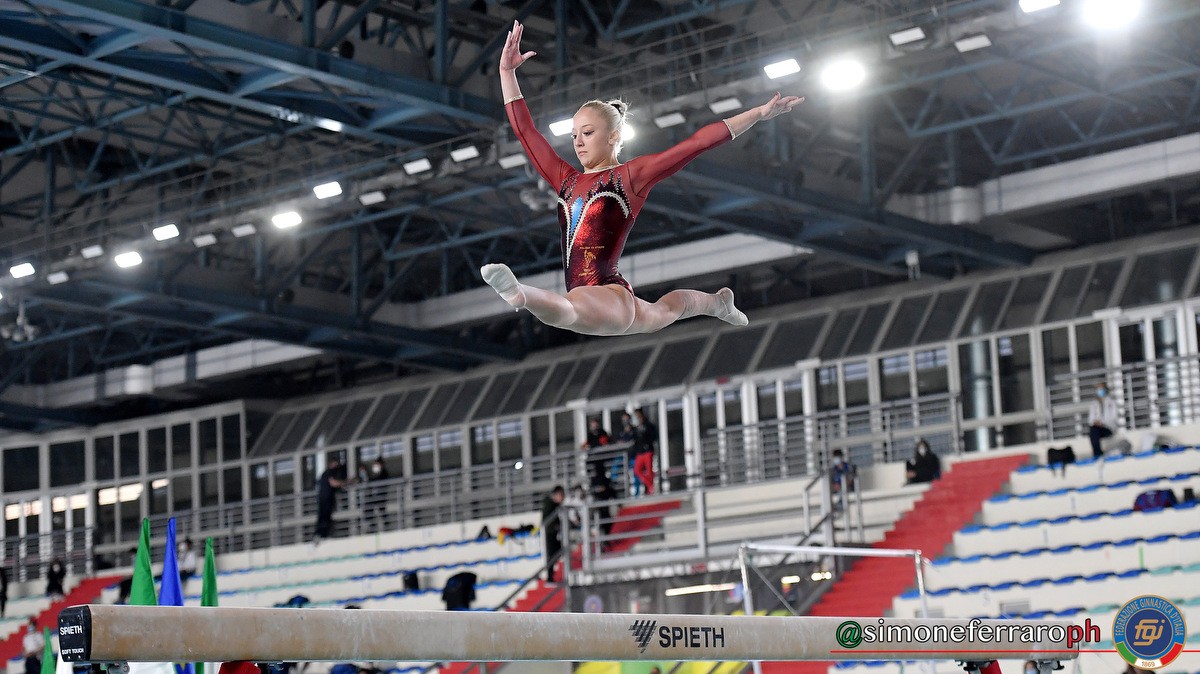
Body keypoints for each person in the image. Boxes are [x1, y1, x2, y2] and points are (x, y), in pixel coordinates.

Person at [481, 20, 803, 336]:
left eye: (587, 133)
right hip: (605, 304)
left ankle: (520, 294)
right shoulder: (566, 181)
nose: (578, 142)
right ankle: (719, 303)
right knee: (668, 310)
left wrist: (758, 114)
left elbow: (696, 144)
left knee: (569, 311)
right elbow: (526, 132)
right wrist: (507, 73)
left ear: (613, 136)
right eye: (574, 135)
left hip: (608, 297)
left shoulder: (630, 177)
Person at [313, 457, 354, 543]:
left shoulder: (325, 474)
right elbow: (333, 483)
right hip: (326, 499)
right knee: (324, 518)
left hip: (325, 498)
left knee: (325, 518)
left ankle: (322, 535)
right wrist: (347, 482)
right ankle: (321, 535)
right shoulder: (329, 473)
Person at [540, 485, 566, 582]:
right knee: (552, 554)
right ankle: (550, 577)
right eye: (562, 495)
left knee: (558, 551)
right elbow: (548, 521)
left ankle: (551, 576)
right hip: (550, 534)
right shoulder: (550, 505)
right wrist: (556, 527)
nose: (563, 498)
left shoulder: (554, 505)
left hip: (553, 533)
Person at [1088, 384, 1119, 459]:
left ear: (1105, 390)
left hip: (1108, 428)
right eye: (1098, 389)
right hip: (1097, 428)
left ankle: (1097, 454)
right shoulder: (1094, 403)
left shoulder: (1111, 402)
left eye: (1101, 389)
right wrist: (1095, 422)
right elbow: (1090, 419)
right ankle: (1097, 454)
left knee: (1094, 431)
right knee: (1093, 430)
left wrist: (1102, 422)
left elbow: (1114, 417)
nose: (1100, 391)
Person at [633, 409, 658, 495]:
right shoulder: (635, 428)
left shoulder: (648, 425)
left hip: (647, 450)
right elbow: (635, 438)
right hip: (640, 452)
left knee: (649, 470)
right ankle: (650, 485)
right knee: (637, 470)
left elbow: (653, 436)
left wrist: (647, 443)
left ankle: (650, 488)